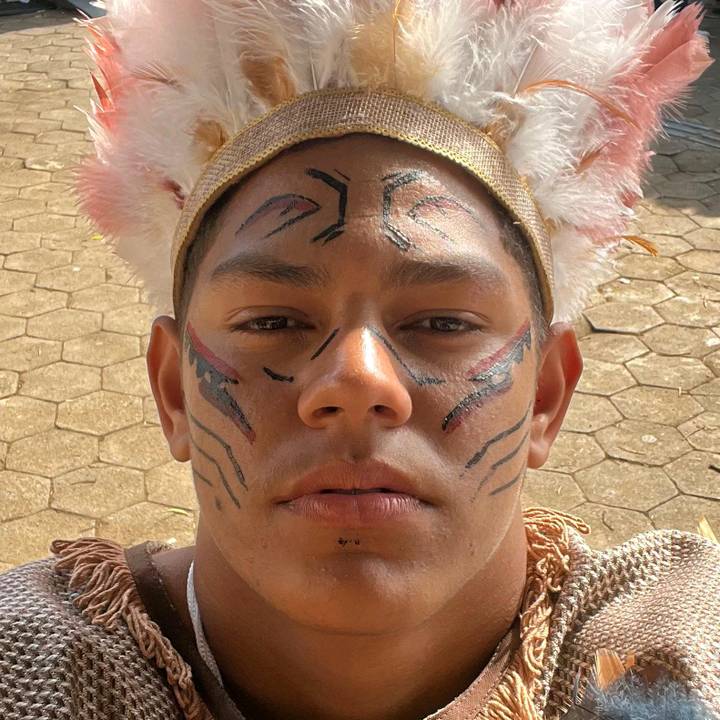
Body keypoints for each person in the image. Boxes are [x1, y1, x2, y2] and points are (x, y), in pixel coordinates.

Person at [1, 1, 718, 719]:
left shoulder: (679, 651)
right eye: (272, 321)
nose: (356, 381)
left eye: (443, 322)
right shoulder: (31, 668)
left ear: (546, 397)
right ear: (173, 392)